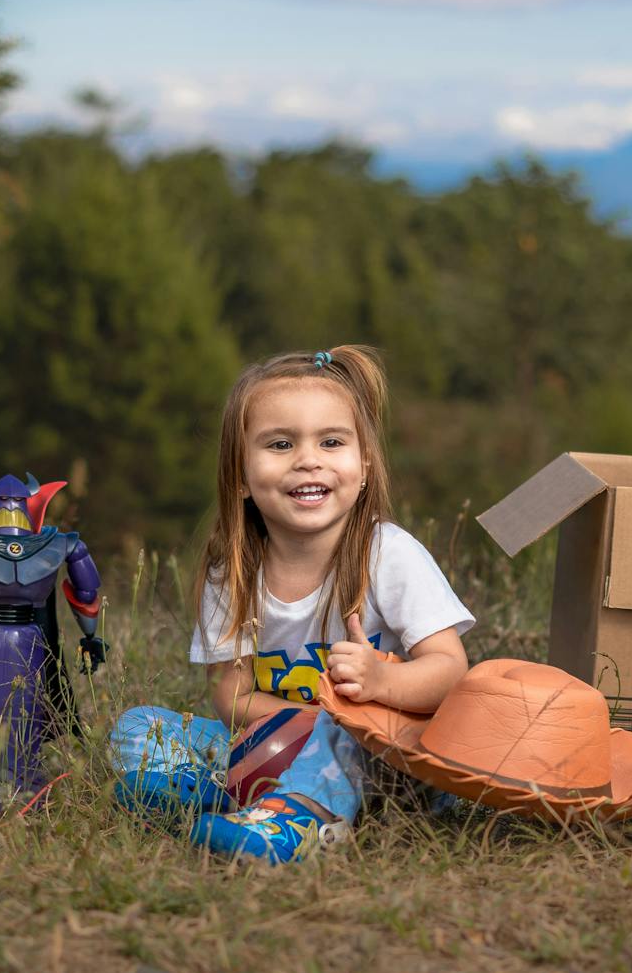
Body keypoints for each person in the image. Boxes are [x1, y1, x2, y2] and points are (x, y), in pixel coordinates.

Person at [107, 346, 474, 863]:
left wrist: (381, 683)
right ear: (239, 475)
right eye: (280, 444)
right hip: (279, 736)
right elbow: (230, 694)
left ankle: (297, 825)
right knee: (137, 727)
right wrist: (293, 726)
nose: (308, 459)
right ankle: (215, 795)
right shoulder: (230, 570)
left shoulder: (387, 553)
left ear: (363, 466)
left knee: (341, 728)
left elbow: (452, 672)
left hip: (382, 753)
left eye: (331, 441)